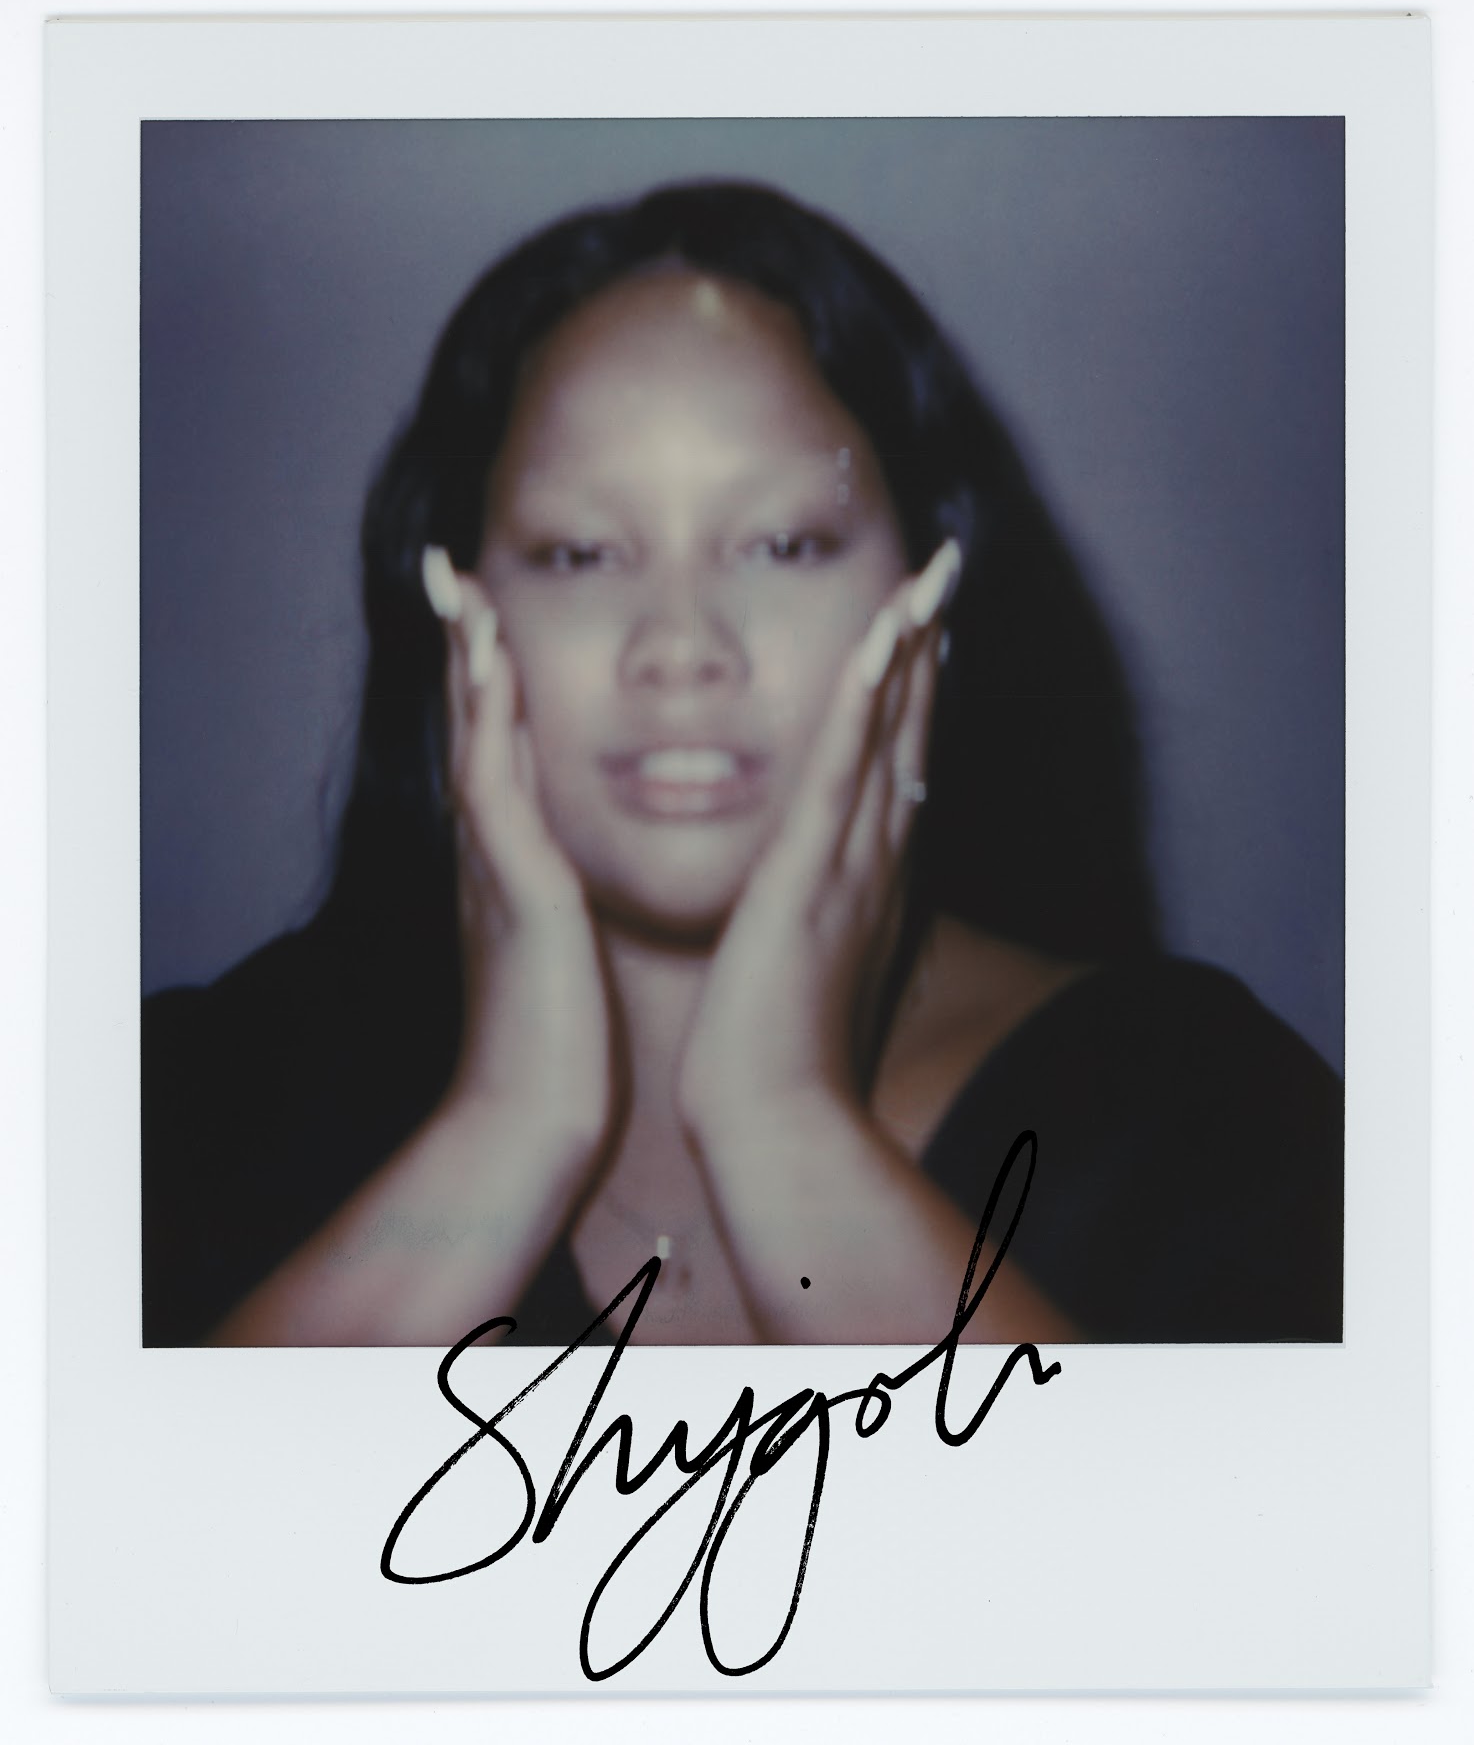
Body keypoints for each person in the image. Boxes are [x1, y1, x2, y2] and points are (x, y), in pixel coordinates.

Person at [141, 180, 1342, 1349]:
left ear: (929, 605)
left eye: (784, 543)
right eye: (577, 553)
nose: (680, 647)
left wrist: (787, 1128)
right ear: (456, 616)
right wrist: (506, 1130)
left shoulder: (1210, 1119)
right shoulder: (200, 1108)